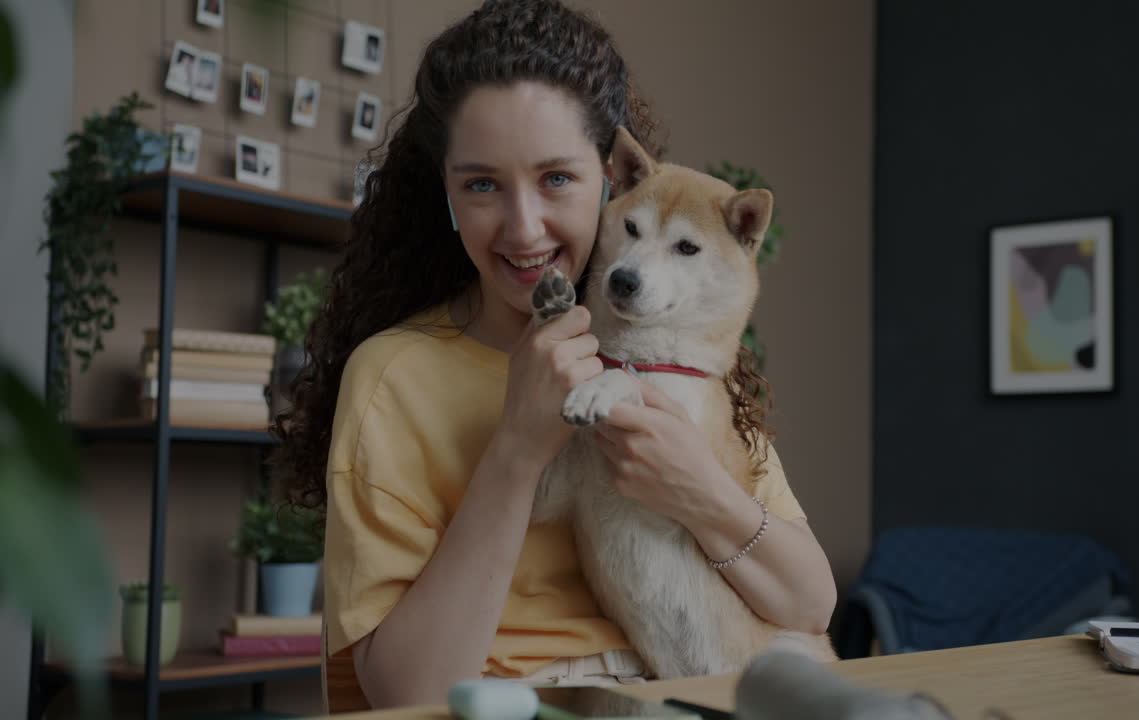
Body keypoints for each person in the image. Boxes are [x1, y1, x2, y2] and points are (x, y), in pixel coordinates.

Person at [271, 0, 837, 709]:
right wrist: (517, 447)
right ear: (444, 195)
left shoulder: (674, 363)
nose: (523, 226)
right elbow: (406, 695)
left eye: (557, 179)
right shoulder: (396, 379)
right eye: (481, 184)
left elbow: (810, 603)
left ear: (614, 180)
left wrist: (700, 490)